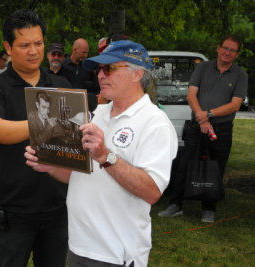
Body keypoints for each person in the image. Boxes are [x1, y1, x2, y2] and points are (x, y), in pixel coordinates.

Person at [25, 40, 178, 267]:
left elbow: (152, 191)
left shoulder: (155, 123)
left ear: (137, 74)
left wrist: (107, 156)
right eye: (98, 69)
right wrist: (51, 166)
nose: (100, 75)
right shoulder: (99, 113)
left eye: (109, 68)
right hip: (79, 246)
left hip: (116, 255)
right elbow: (80, 175)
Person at [0, 9, 71, 267]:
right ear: (8, 47)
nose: (33, 51)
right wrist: (49, 122)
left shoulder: (60, 85)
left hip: (57, 206)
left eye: (38, 43)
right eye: (24, 45)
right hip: (12, 208)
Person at [158, 35, 248, 223]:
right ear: (218, 48)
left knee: (216, 168)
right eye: (225, 48)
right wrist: (203, 119)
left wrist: (209, 115)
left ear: (237, 54)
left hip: (221, 130)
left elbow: (235, 105)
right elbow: (191, 95)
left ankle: (209, 209)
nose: (227, 52)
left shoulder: (241, 75)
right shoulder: (202, 67)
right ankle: (176, 205)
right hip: (196, 126)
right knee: (184, 165)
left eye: (232, 50)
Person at [60, 38, 98, 111]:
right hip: (65, 106)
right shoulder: (62, 66)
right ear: (74, 50)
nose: (85, 55)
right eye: (83, 52)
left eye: (87, 53)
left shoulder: (88, 67)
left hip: (84, 107)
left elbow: (95, 88)